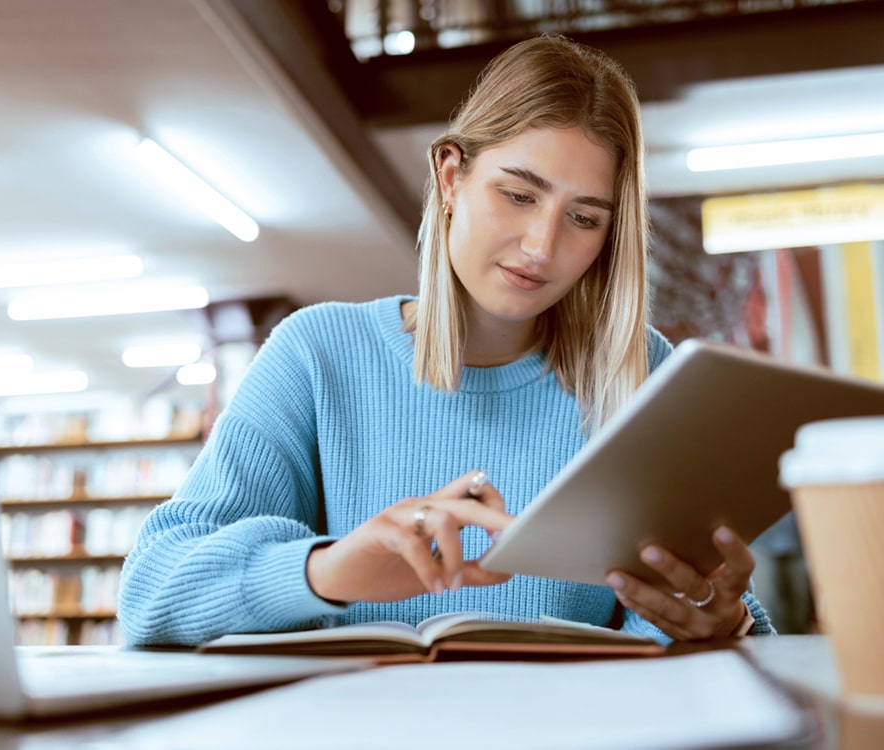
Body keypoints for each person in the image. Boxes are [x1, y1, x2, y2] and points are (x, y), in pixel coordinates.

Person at [118, 33, 772, 646]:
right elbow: (150, 594)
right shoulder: (317, 354)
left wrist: (723, 621)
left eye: (583, 218)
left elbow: (710, 619)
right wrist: (330, 570)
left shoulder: (641, 375)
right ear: (451, 175)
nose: (542, 247)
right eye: (518, 195)